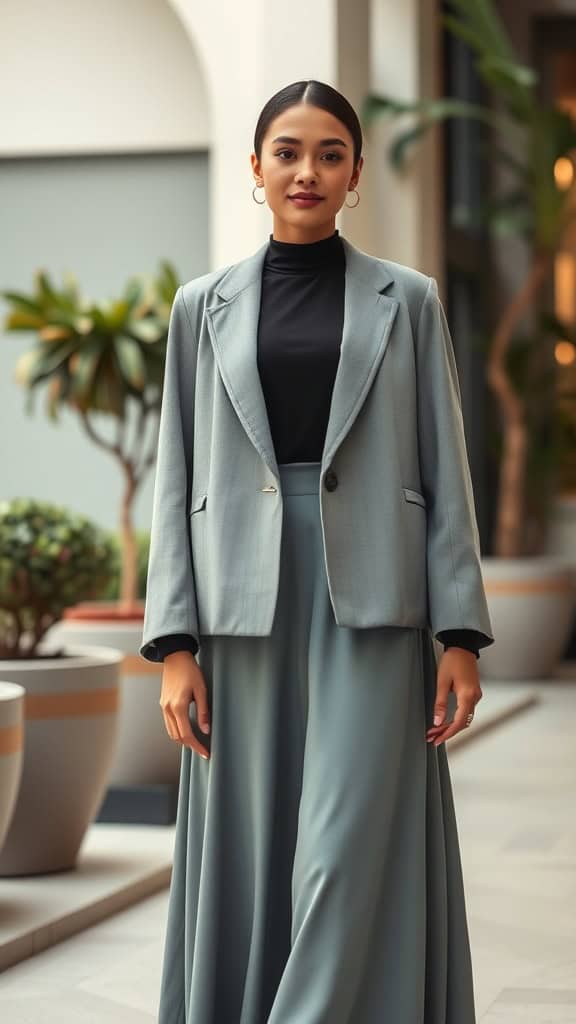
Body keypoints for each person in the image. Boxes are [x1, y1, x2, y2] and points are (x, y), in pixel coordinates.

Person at [140, 79, 495, 1024]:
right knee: (252, 848)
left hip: (375, 598)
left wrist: (459, 629)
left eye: (330, 153)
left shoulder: (408, 302)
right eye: (288, 151)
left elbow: (446, 467)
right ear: (255, 169)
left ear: (355, 175)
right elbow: (174, 478)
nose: (308, 170)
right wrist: (174, 644)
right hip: (239, 603)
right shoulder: (198, 308)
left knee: (346, 849)